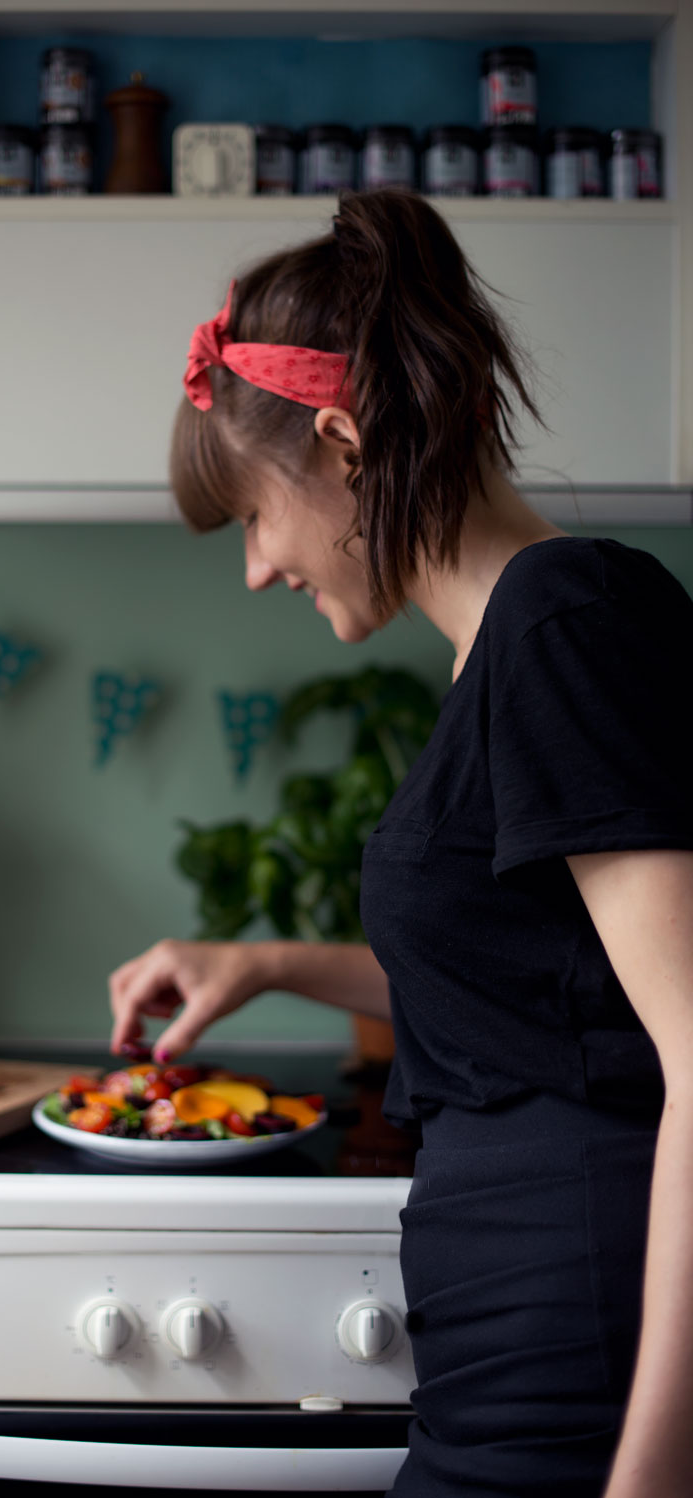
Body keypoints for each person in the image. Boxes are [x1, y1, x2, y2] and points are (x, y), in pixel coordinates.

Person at [107, 189, 693, 1497]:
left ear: (340, 441)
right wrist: (262, 962)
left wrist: (654, 1473)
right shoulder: (513, 650)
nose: (257, 568)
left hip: (582, 1385)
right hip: (514, 1377)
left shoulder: (563, 622)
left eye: (254, 516)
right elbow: (545, 982)